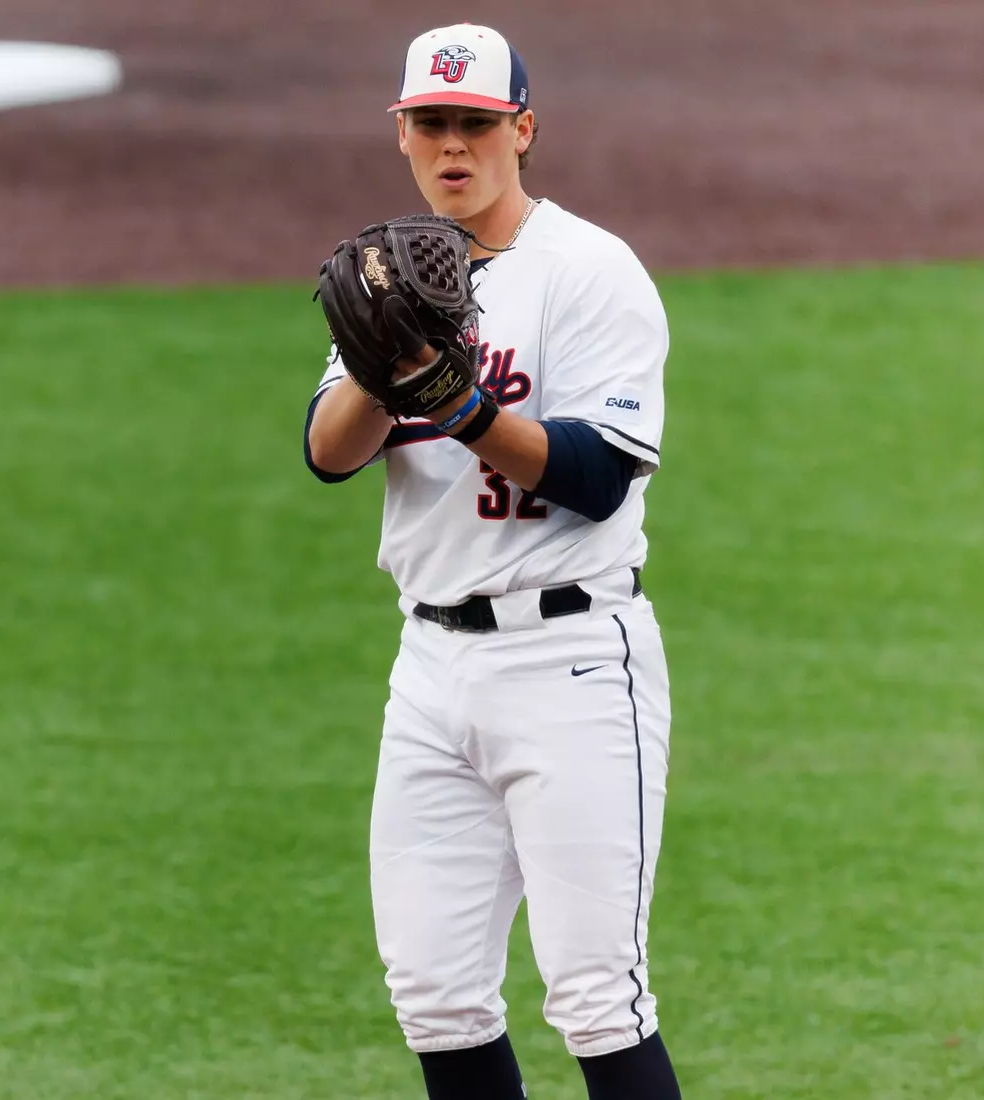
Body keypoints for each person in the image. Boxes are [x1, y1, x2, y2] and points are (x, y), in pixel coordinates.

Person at [303, 23, 683, 1100]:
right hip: (428, 670)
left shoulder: (591, 271)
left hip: (568, 660)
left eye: (476, 123)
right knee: (434, 991)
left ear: (523, 128)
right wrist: (388, 365)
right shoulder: (393, 273)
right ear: (403, 134)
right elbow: (328, 452)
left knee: (598, 995)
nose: (453, 146)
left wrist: (454, 398)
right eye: (432, 123)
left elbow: (597, 472)